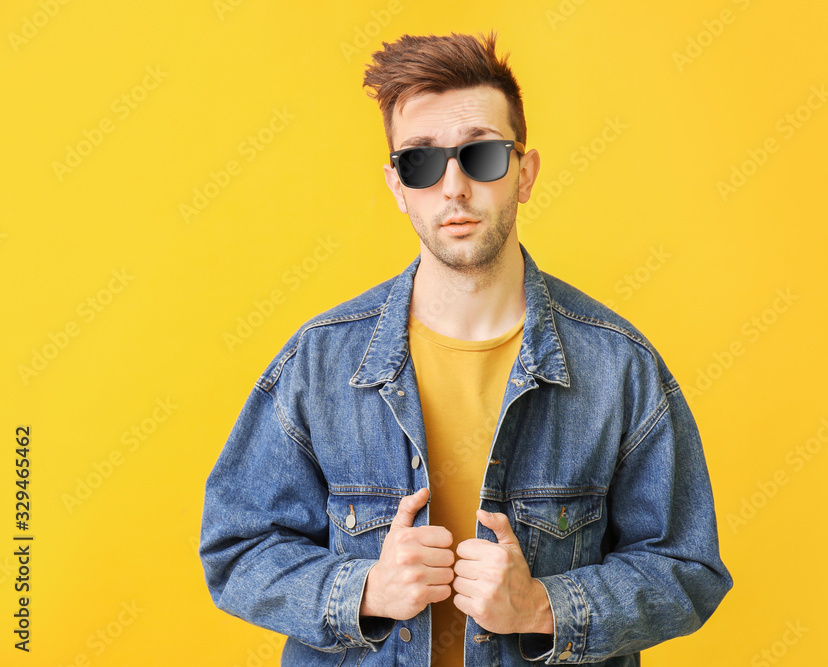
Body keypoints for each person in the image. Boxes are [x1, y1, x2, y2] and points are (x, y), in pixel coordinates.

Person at [199, 30, 732, 666]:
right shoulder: (319, 363)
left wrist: (543, 607)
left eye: (480, 155)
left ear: (525, 173)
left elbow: (686, 567)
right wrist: (363, 589)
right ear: (397, 186)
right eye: (421, 162)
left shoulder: (619, 367)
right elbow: (236, 549)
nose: (453, 188)